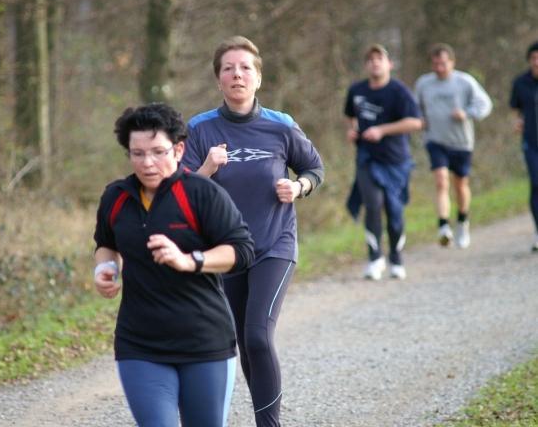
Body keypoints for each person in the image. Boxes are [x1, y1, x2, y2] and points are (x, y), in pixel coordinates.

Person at [182, 36, 324, 427]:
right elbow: (180, 192)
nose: (237, 74)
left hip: (274, 245)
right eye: (228, 68)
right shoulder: (200, 130)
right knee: (239, 342)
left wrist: (298, 187)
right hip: (226, 251)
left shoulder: (281, 126)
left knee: (258, 335)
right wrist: (208, 169)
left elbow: (315, 169)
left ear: (258, 78)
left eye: (245, 67)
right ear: (218, 80)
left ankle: (269, 424)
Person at [93, 102, 255, 427]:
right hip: (140, 343)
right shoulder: (116, 197)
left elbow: (242, 250)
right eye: (137, 153)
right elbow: (106, 245)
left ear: (179, 149)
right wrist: (104, 269)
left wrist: (189, 260)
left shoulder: (203, 193)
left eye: (157, 151)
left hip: (204, 342)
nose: (147, 162)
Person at [344, 44, 423, 280]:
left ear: (389, 64)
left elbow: (416, 123)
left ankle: (396, 259)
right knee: (372, 204)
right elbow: (349, 116)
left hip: (395, 160)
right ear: (366, 65)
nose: (374, 62)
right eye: (370, 59)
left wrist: (382, 130)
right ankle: (375, 258)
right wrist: (351, 130)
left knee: (394, 211)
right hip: (367, 158)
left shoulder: (399, 91)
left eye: (379, 58)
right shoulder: (356, 90)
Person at [414, 43, 493, 248]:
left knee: (460, 185)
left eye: (443, 63)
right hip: (435, 140)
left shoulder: (464, 81)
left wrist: (467, 113)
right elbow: (415, 107)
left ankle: (462, 221)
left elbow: (485, 104)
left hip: (461, 142)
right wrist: (419, 119)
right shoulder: (424, 83)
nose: (439, 68)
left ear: (452, 62)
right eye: (435, 64)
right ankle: (443, 226)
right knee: (441, 181)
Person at [510, 40, 538, 252]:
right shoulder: (520, 83)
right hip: (531, 142)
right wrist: (518, 121)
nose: (537, 62)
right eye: (534, 59)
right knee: (536, 184)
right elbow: (516, 109)